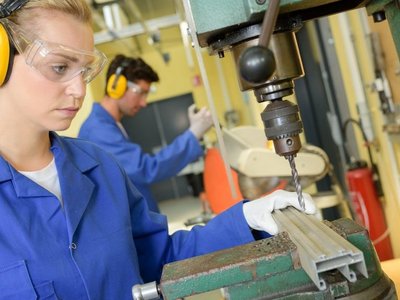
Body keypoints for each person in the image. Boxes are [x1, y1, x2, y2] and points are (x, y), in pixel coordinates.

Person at [0, 0, 316, 299]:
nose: (80, 90)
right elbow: (149, 168)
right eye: (59, 68)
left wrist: (246, 219)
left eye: (84, 72)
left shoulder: (98, 166)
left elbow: (160, 258)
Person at [78, 54, 213, 212]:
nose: (144, 102)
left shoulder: (110, 125)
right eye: (140, 92)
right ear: (116, 86)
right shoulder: (98, 130)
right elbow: (146, 169)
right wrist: (193, 134)